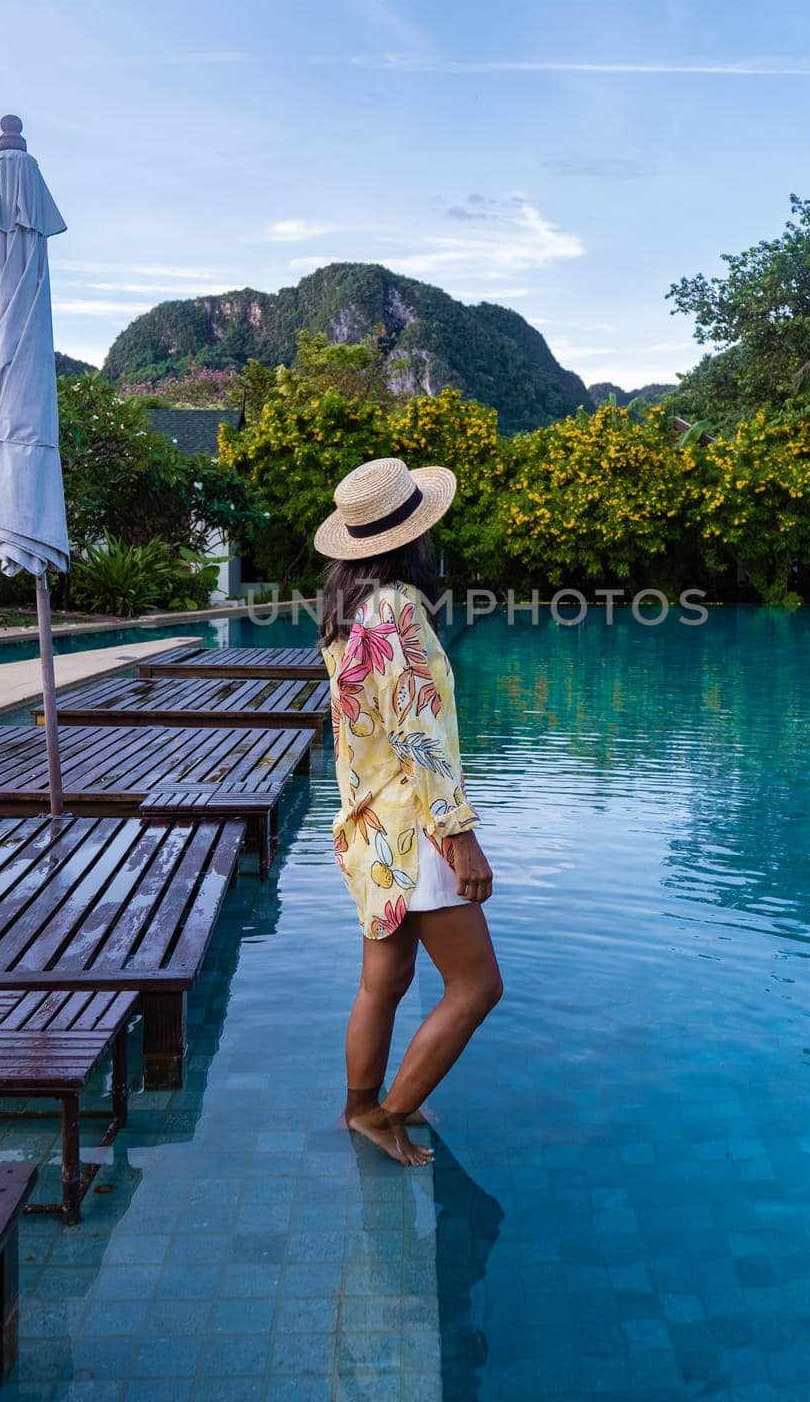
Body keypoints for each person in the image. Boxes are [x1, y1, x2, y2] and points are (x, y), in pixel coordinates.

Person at [316, 456, 503, 1165]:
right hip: (415, 828)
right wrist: (461, 838)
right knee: (477, 986)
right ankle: (387, 1112)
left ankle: (361, 1106)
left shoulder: (347, 611)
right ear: (411, 535)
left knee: (384, 980)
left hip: (370, 826)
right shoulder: (394, 610)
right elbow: (418, 734)